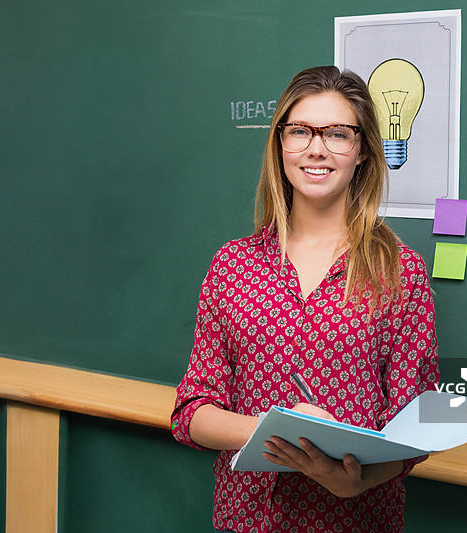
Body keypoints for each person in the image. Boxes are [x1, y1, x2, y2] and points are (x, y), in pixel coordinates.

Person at [171, 65, 439, 533]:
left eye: (337, 133)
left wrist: (356, 481)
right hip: (248, 520)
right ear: (280, 144)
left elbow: (415, 424)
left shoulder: (400, 271)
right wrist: (276, 430)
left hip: (354, 520)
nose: (317, 148)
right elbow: (192, 411)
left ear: (362, 152)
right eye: (300, 131)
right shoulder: (232, 265)